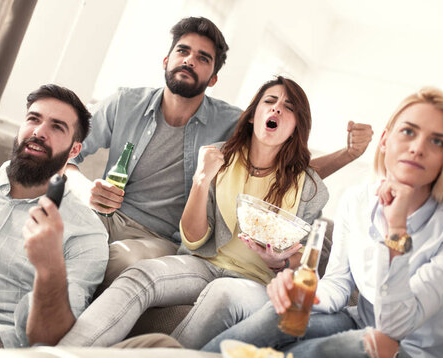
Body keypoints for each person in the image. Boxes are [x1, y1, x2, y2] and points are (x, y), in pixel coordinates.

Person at [66, 16, 373, 289]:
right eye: (183, 51)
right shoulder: (124, 102)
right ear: (166, 59)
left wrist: (347, 154)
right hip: (102, 216)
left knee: (117, 259)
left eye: (203, 58)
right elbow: (65, 156)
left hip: (160, 238)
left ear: (213, 78)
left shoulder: (234, 124)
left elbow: (288, 167)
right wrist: (86, 189)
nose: (190, 60)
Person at [202, 87, 443, 358]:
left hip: (417, 350)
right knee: (280, 314)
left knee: (366, 345)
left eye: (437, 141)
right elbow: (338, 284)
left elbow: (396, 326)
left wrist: (396, 231)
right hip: (361, 324)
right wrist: (301, 293)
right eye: (408, 132)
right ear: (385, 141)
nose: (417, 148)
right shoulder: (358, 200)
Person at [58, 76, 327, 347]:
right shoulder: (219, 158)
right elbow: (193, 239)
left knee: (221, 294)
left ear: (296, 126)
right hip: (206, 264)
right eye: (269, 101)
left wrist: (280, 261)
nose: (276, 109)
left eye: (288, 107)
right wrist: (201, 180)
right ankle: (60, 354)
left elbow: (308, 259)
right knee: (139, 275)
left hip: (258, 280)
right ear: (252, 115)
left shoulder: (310, 188)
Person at [0, 84, 109, 348]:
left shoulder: (87, 233)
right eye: (33, 119)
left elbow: (49, 337)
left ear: (74, 150)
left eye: (57, 127)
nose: (39, 132)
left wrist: (49, 267)